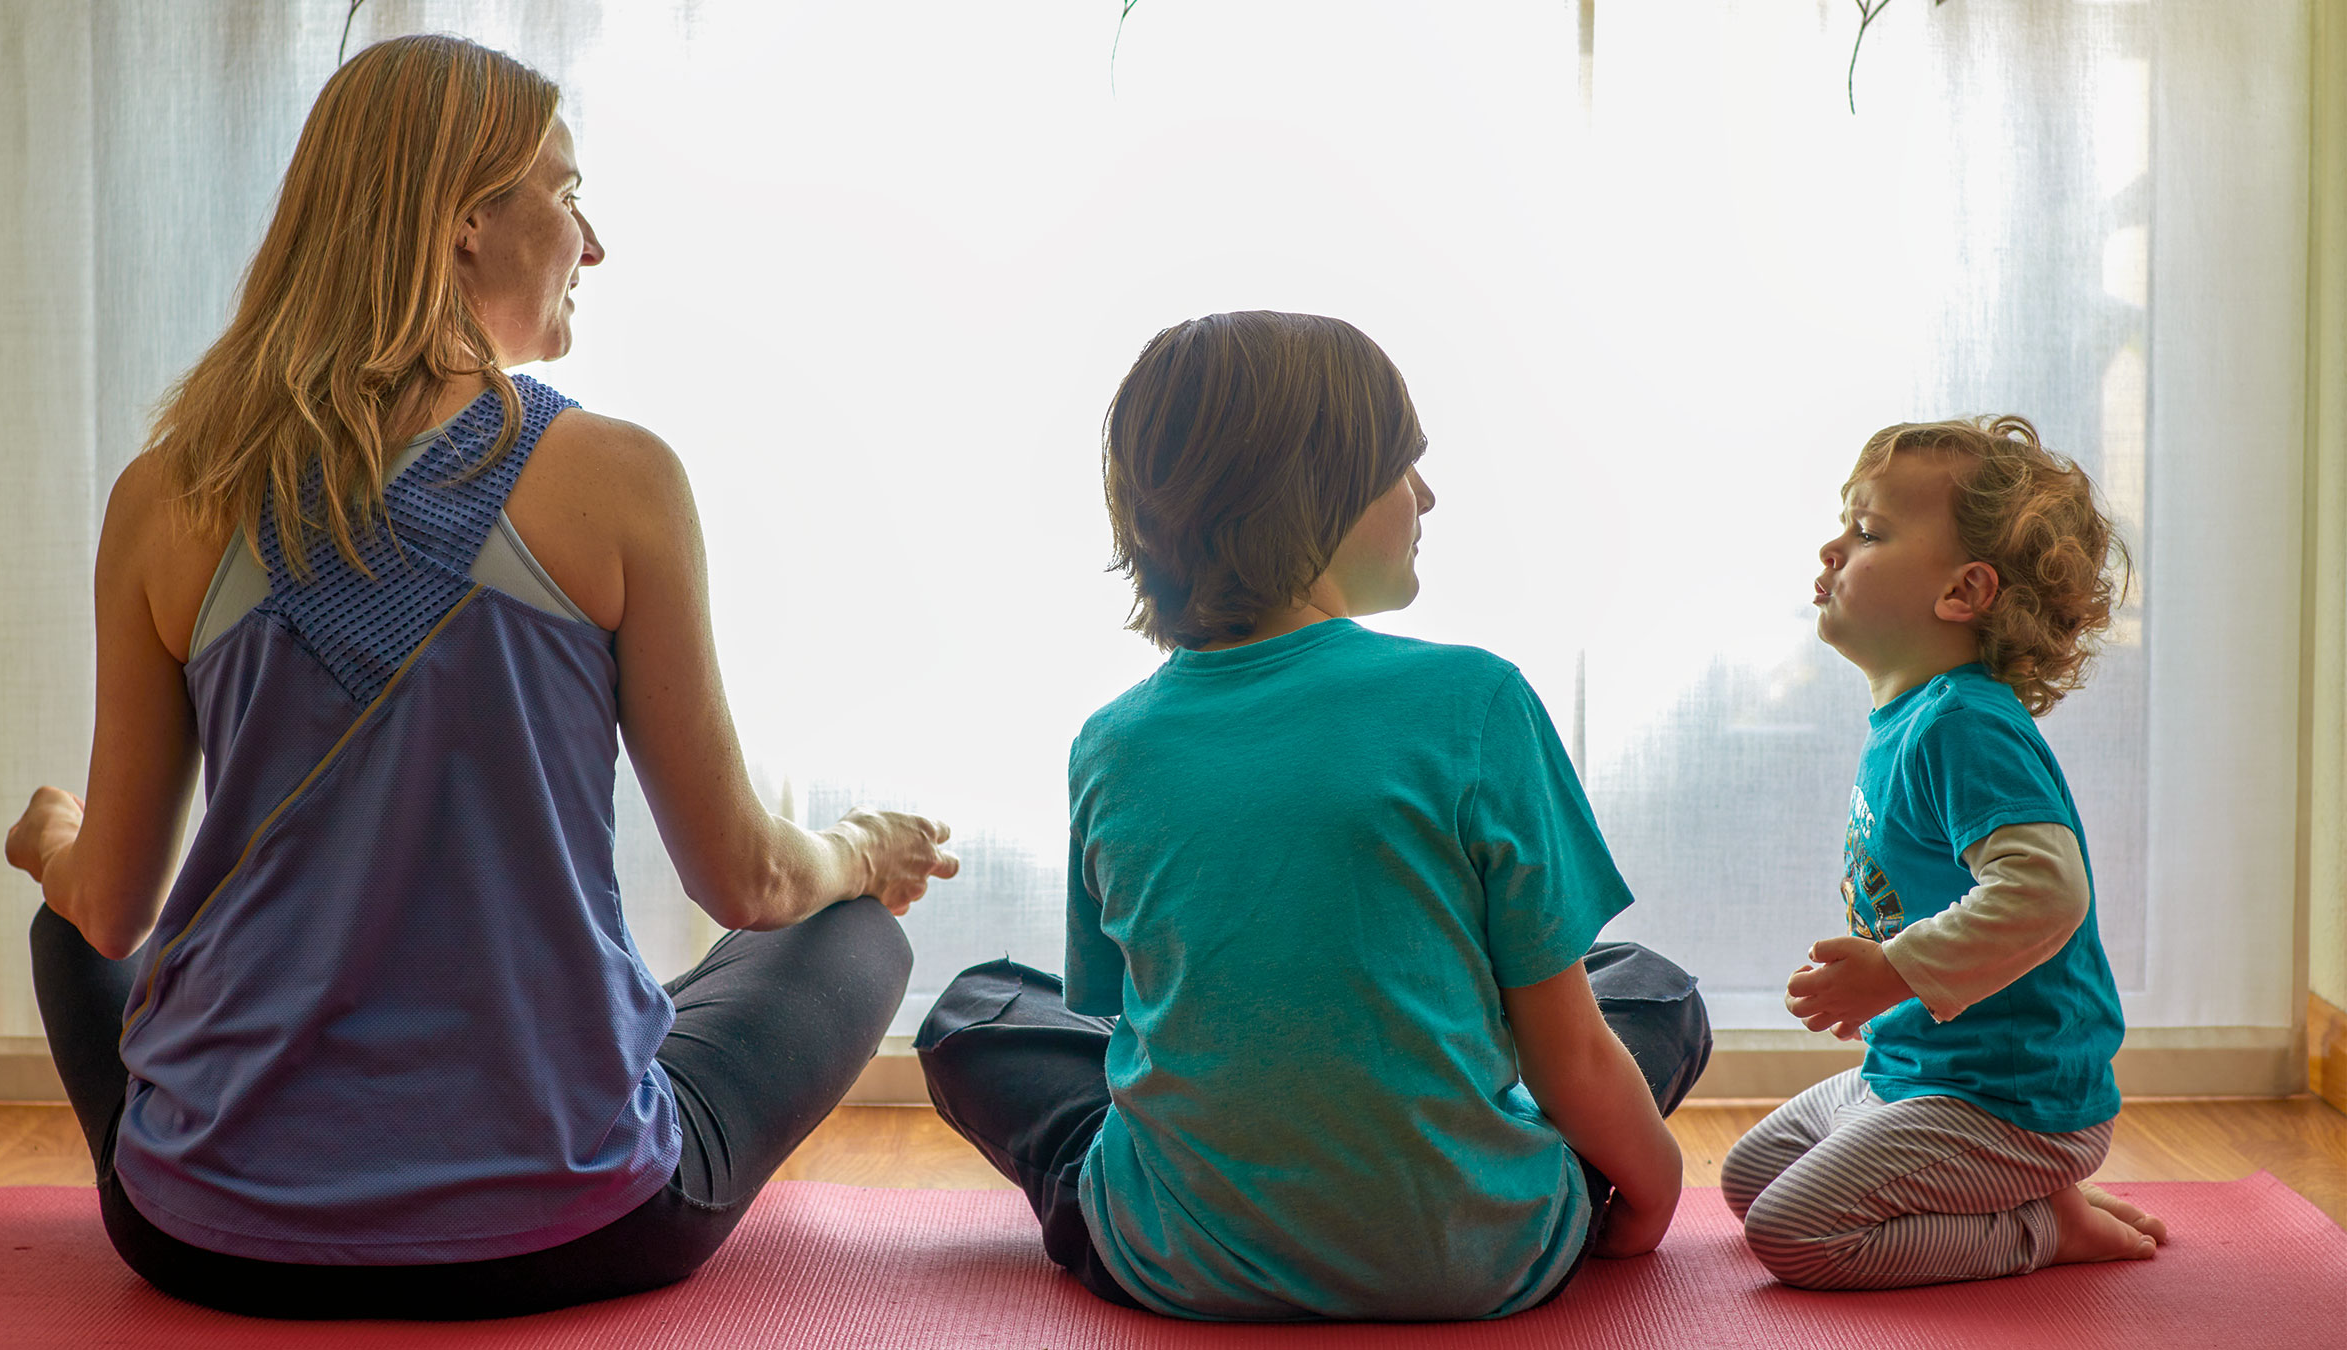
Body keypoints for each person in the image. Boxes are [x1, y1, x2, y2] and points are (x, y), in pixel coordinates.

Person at [1, 34, 957, 1320]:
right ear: (464, 224)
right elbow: (752, 878)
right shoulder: (622, 481)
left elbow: (113, 914)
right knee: (849, 924)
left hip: (208, 1228)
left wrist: (56, 841)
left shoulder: (165, 494)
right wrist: (867, 843)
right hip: (573, 1228)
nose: (593, 244)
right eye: (566, 196)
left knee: (62, 925)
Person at [914, 311, 1712, 1321]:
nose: (1429, 496)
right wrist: (1646, 1203)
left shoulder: (1111, 741)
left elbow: (1135, 1022)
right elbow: (1570, 1053)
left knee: (976, 1008)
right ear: (1321, 487)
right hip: (1484, 1261)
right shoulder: (1478, 699)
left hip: (1173, 1263)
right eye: (1404, 467)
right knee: (1654, 992)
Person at [1719, 415, 2166, 1289]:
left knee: (1795, 1235)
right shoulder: (1913, 719)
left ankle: (2039, 1223)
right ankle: (2035, 1200)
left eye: (1868, 531)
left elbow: (2047, 891)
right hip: (1919, 1070)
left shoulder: (1964, 724)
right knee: (1746, 1180)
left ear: (1963, 592)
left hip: (2009, 1100)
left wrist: (1894, 971)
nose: (1832, 547)